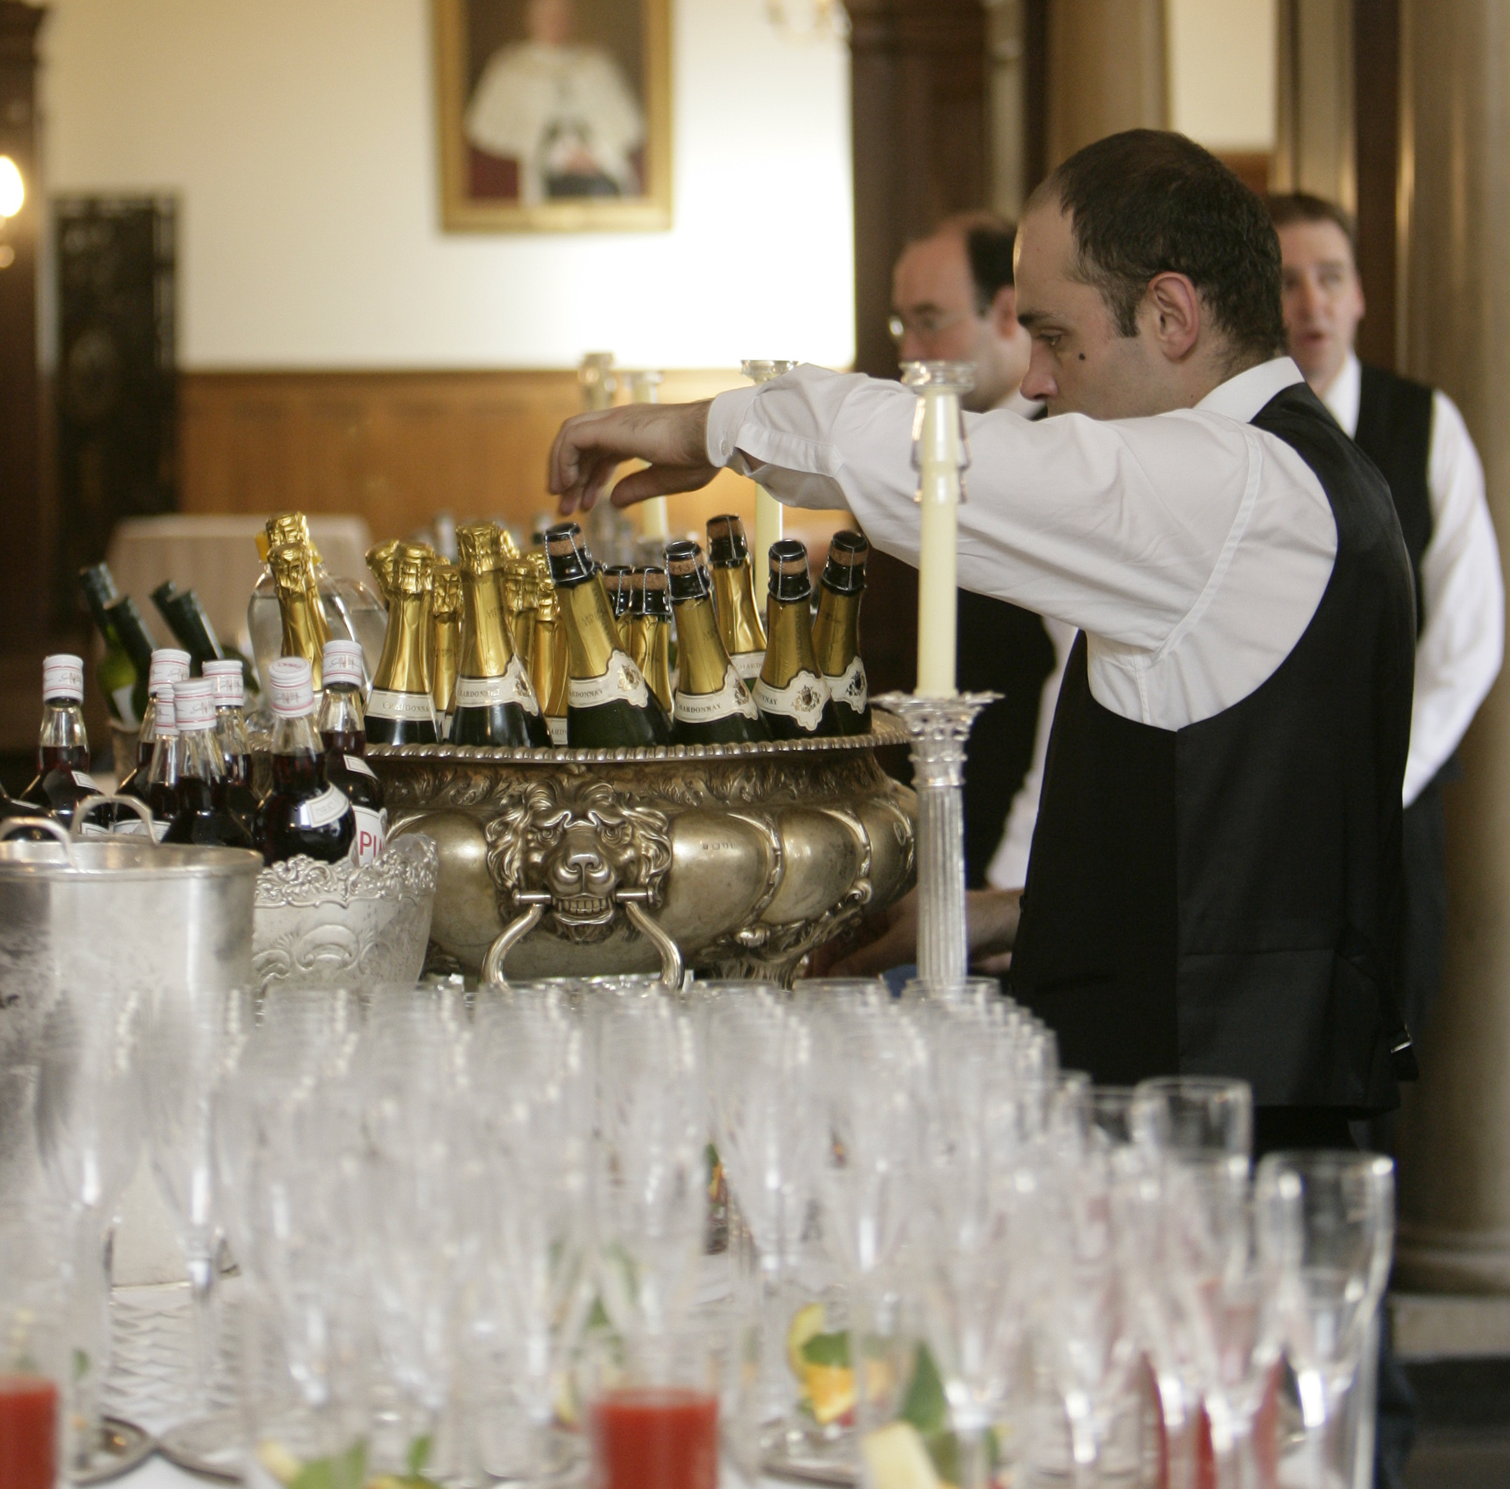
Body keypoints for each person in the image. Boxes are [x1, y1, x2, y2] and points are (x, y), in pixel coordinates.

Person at [548, 131, 1416, 1146]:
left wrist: (710, 424)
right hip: (1234, 1089)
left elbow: (944, 464)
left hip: (1207, 1122)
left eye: (1056, 334)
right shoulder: (1295, 471)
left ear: (1171, 315)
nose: (1039, 377)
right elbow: (1232, 848)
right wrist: (1007, 913)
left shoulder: (1229, 480)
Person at [1271, 191, 1502, 1049]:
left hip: (1394, 824)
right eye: (1289, 281)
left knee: (1382, 1072)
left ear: (1360, 293)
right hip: (1259, 823)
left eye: (1330, 277)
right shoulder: (1228, 437)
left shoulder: (1425, 423)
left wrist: (1382, 776)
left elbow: (1469, 637)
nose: (1311, 301)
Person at [880, 211, 1071, 886]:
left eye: (932, 319)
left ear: (1008, 312)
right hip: (947, 833)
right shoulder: (931, 453)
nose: (911, 353)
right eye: (903, 324)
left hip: (1022, 855)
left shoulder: (1061, 451)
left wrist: (1015, 875)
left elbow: (1073, 685)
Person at [464, 0, 645, 202]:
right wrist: (553, 157)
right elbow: (489, 138)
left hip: (597, 180)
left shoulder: (597, 64)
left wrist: (595, 153)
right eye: (546, 15)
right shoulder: (508, 68)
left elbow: (626, 129)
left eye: (561, 14)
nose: (555, 21)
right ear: (530, 19)